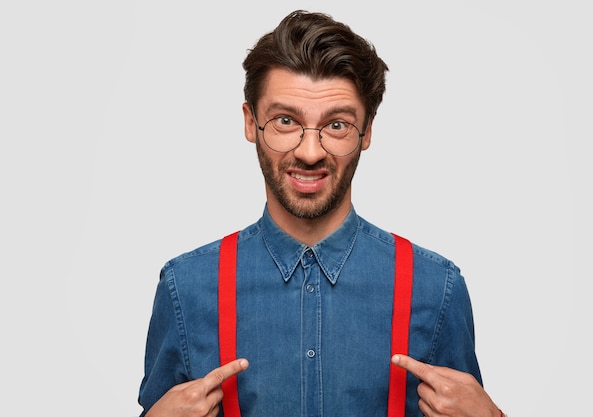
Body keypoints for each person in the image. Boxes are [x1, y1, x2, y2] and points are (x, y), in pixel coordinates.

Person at [138, 10, 505, 417]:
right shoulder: (185, 289)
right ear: (250, 121)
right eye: (284, 120)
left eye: (337, 125)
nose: (310, 152)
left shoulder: (438, 289)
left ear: (366, 132)